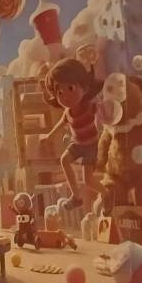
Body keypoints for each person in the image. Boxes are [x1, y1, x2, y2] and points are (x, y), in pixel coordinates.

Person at [40, 58, 103, 210]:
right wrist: (50, 136)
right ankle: (76, 196)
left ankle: (107, 193)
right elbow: (61, 124)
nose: (65, 95)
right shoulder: (67, 112)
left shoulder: (89, 106)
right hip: (77, 144)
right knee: (64, 160)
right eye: (59, 92)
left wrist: (106, 111)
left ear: (84, 87)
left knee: (88, 181)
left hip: (91, 145)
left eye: (70, 88)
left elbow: (102, 112)